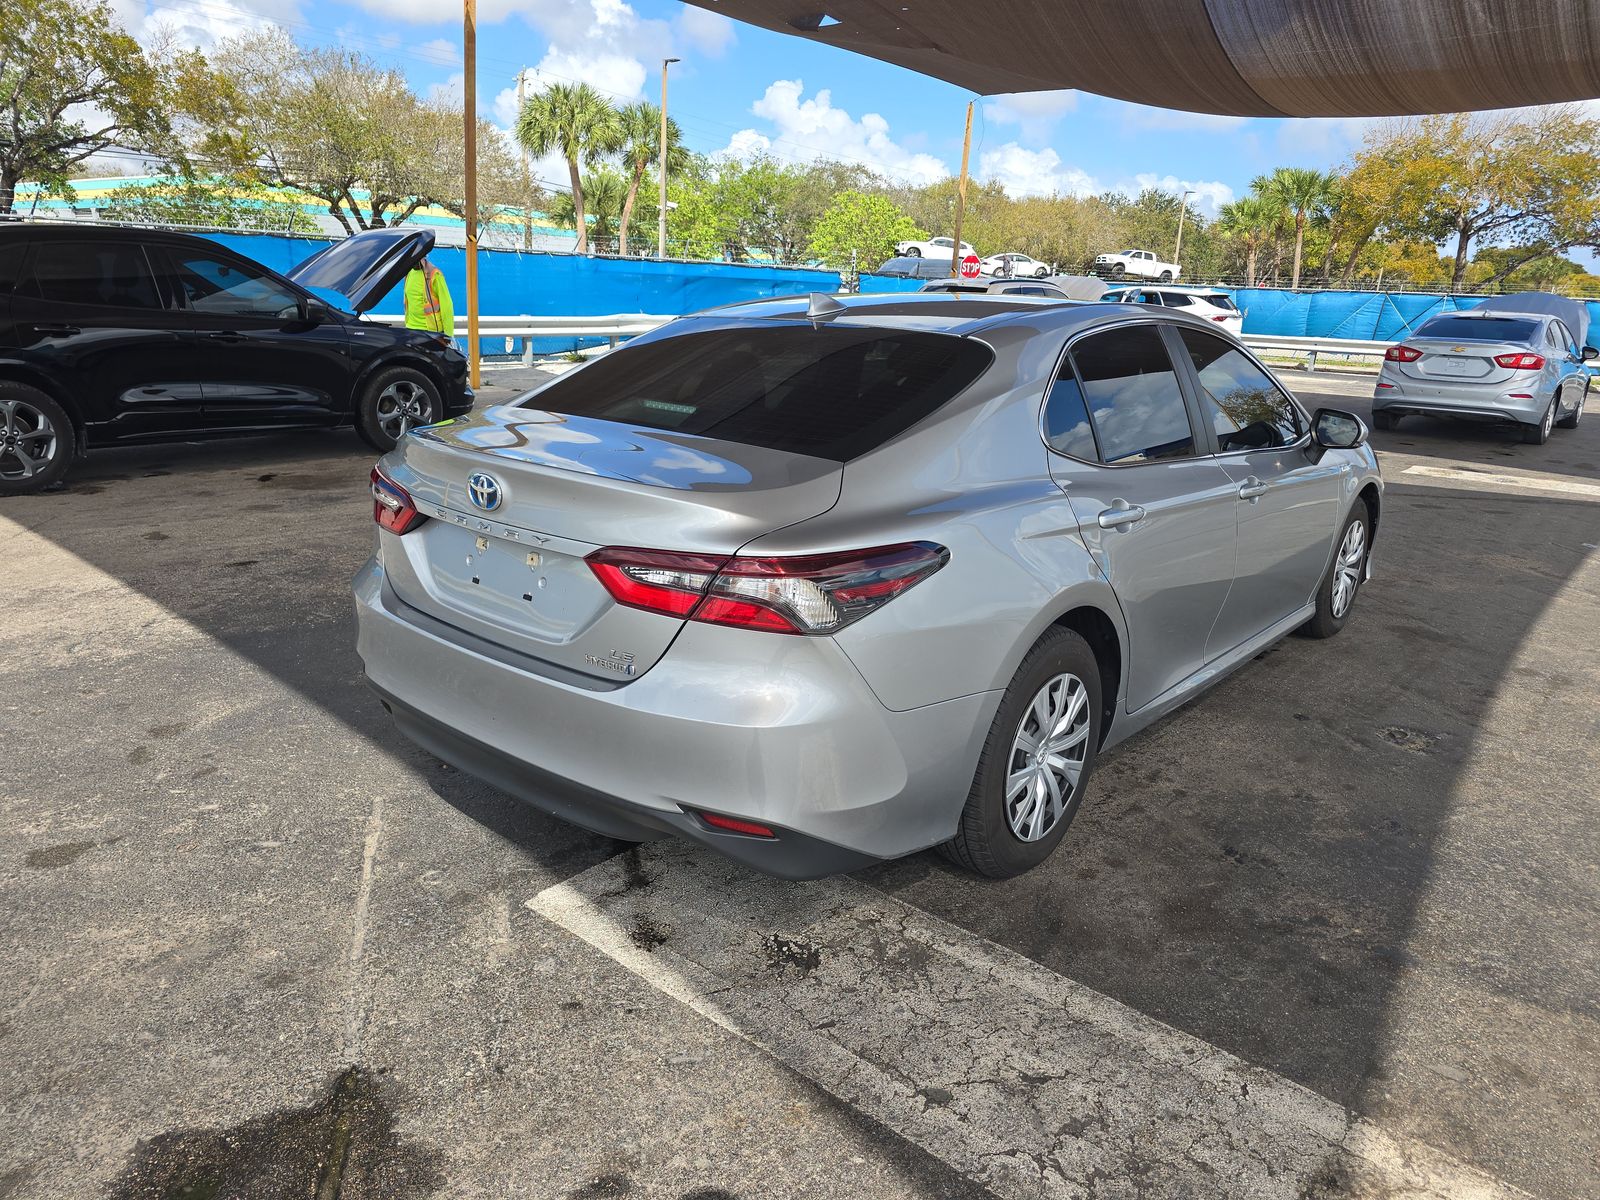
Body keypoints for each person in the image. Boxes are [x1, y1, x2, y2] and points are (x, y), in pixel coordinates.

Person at [404, 255, 453, 339]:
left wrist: (448, 335)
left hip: (431, 333)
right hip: (410, 329)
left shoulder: (435, 274)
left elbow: (447, 306)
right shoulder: (408, 273)